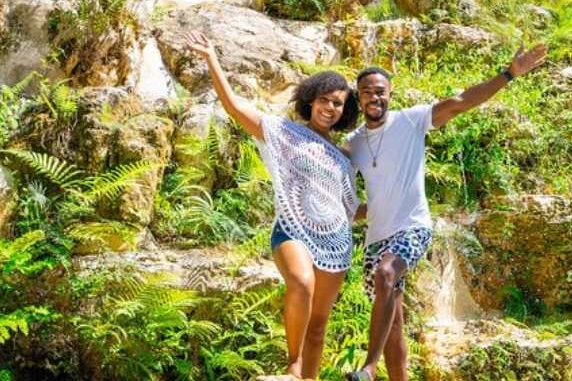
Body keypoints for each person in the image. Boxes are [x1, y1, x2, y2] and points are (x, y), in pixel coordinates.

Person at [344, 44, 548, 381]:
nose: (374, 98)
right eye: (367, 92)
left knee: (385, 275)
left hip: (412, 228)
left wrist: (509, 73)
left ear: (390, 94)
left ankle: (368, 368)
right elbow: (353, 193)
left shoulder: (409, 121)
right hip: (376, 236)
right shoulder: (355, 143)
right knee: (392, 324)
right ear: (359, 97)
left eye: (380, 91)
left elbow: (461, 102)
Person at [184, 31, 364, 380]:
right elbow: (236, 107)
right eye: (324, 99)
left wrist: (390, 206)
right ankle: (293, 366)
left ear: (345, 111)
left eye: (338, 104)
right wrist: (212, 60)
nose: (330, 108)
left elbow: (350, 209)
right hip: (293, 229)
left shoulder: (344, 157)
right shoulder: (284, 132)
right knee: (300, 281)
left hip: (337, 241)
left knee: (319, 325)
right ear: (311, 100)